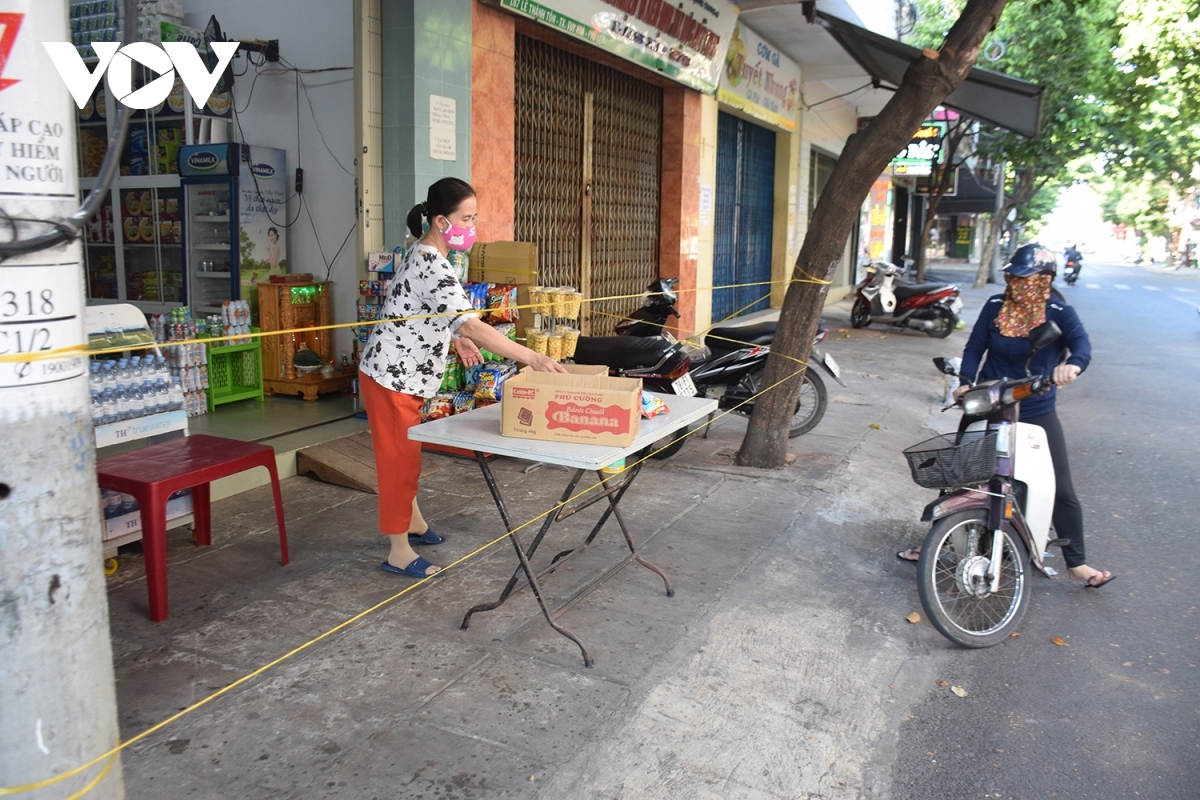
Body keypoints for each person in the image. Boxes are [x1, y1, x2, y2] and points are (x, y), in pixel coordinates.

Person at [358, 178, 568, 578]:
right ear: (440, 220)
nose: (471, 226)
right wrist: (531, 356)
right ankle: (398, 550)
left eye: (474, 217)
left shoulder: (434, 257)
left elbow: (427, 310)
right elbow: (470, 324)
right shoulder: (429, 261)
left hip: (408, 375)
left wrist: (455, 339)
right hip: (391, 378)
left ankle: (414, 523)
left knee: (408, 456)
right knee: (398, 462)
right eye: (465, 218)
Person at [898, 243, 1115, 589]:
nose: (1016, 283)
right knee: (961, 473)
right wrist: (965, 382)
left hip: (1035, 409)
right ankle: (940, 540)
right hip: (988, 402)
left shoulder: (1059, 311)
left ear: (1044, 280)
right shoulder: (996, 306)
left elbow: (1082, 345)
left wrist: (1072, 365)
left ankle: (1077, 563)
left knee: (1060, 486)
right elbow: (974, 348)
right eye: (1012, 276)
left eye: (1024, 278)